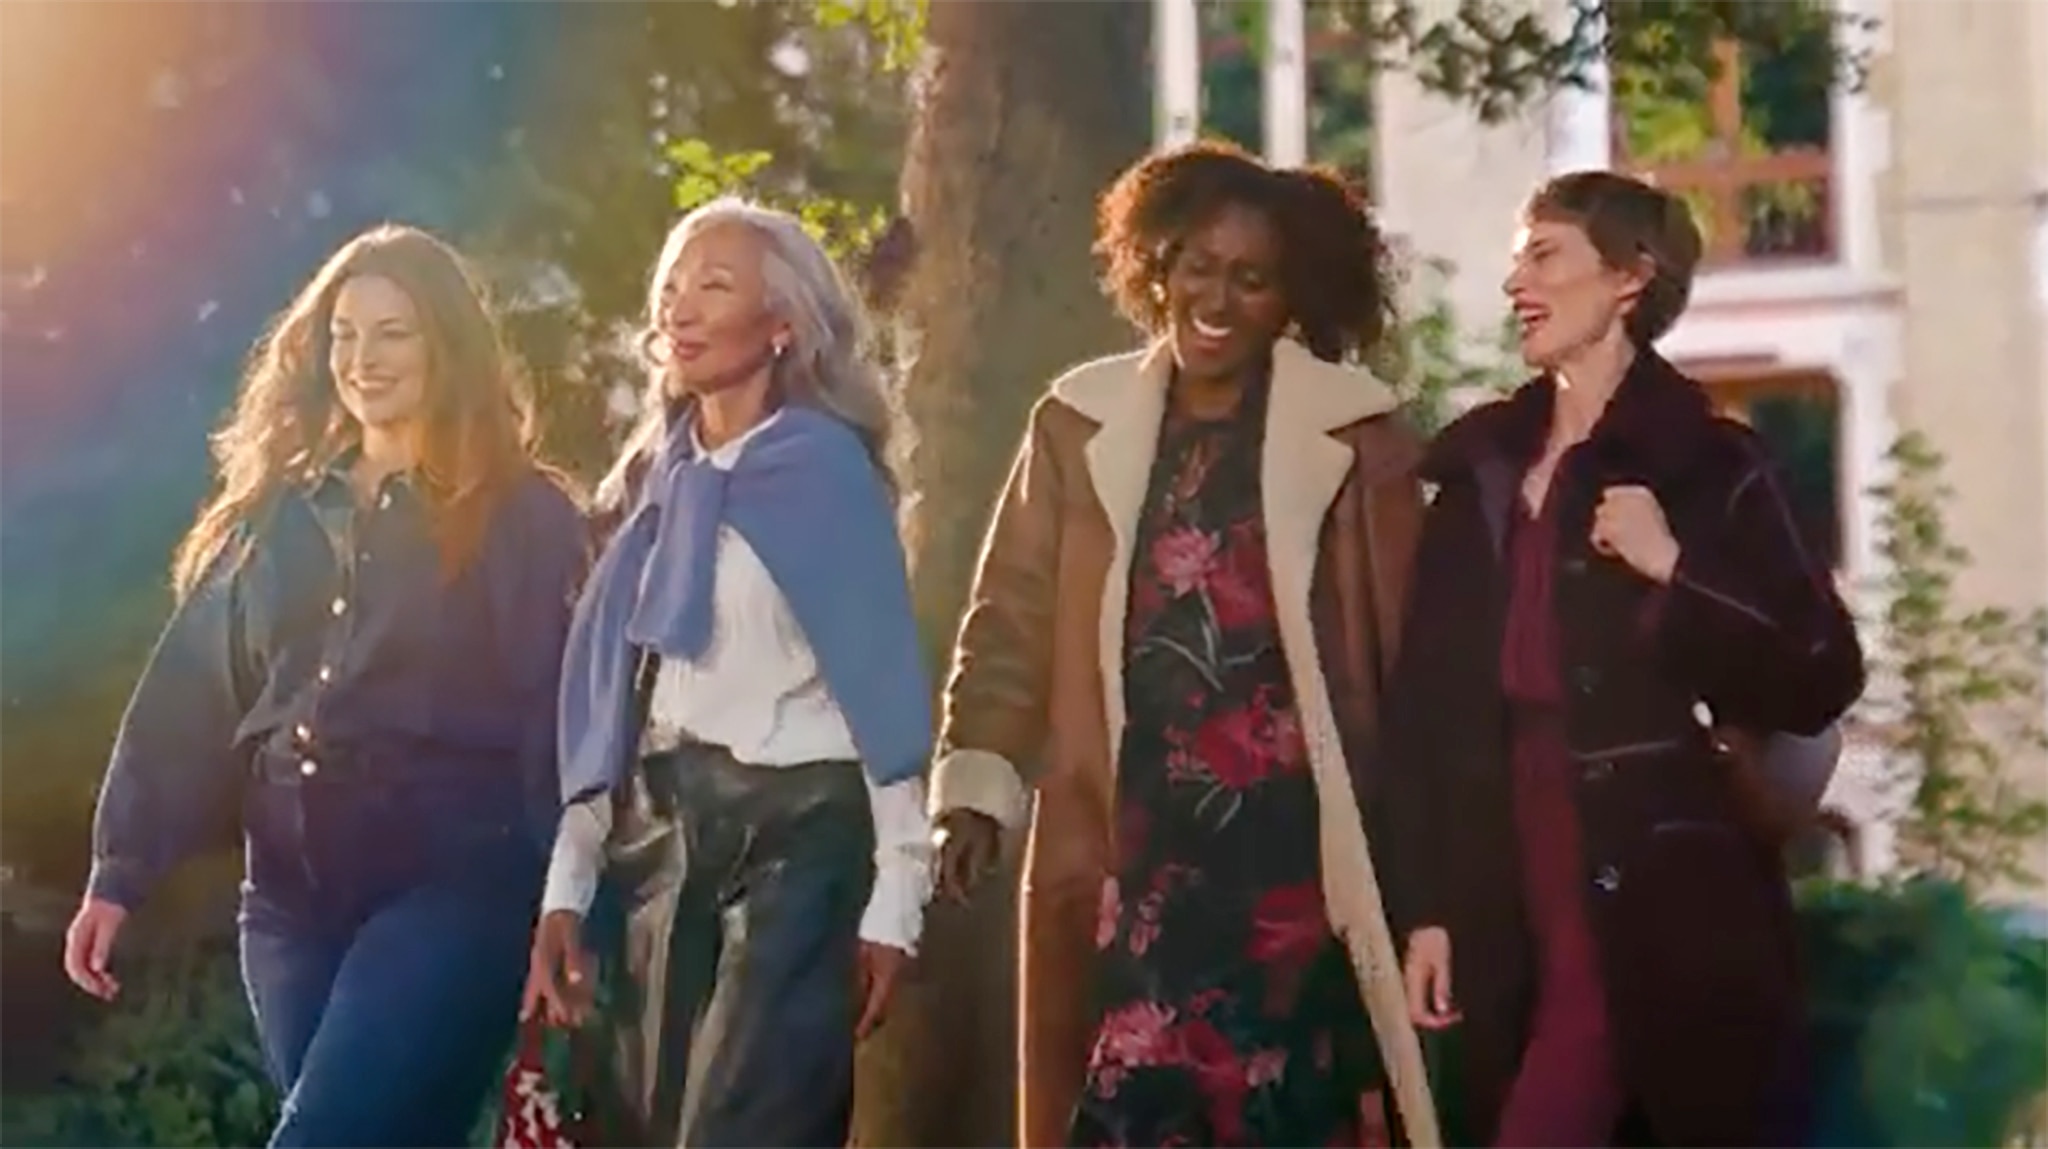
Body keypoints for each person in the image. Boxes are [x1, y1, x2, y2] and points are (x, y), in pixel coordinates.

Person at [929, 141, 1443, 1148]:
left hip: (1291, 866)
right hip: (1129, 852)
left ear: (1289, 300)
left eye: (1252, 279)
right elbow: (1010, 616)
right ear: (1156, 266)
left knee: (1282, 1113)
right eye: (1198, 266)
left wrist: (1429, 868)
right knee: (1123, 1105)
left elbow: (1416, 666)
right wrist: (975, 785)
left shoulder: (1358, 438)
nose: (1217, 299)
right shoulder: (1075, 423)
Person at [62, 225, 589, 1146]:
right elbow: (190, 692)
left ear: (447, 344)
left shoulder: (523, 515)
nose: (362, 359)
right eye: (344, 334)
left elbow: (560, 712)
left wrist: (569, 901)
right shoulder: (276, 510)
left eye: (393, 332)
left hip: (451, 885)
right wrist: (120, 870)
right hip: (287, 902)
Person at [1378, 170, 1866, 1147]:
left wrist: (1674, 567)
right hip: (1503, 876)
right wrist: (1428, 910)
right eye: (1517, 258)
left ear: (1628, 278)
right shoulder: (1480, 471)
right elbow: (1427, 710)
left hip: (1667, 889)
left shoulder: (1711, 465)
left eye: (1543, 255)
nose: (1516, 282)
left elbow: (1820, 668)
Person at [521, 197, 931, 1147]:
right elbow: (617, 702)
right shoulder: (655, 484)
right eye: (672, 288)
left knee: (742, 1130)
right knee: (649, 1129)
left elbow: (882, 695)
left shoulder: (823, 474)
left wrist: (898, 897)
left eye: (714, 285)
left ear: (782, 323)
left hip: (801, 840)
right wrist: (565, 888)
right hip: (663, 838)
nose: (681, 307)